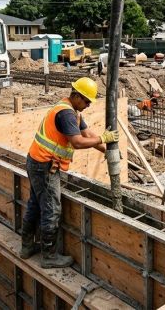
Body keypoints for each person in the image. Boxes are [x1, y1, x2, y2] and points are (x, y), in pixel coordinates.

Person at [19, 77, 119, 267]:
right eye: (87, 101)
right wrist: (103, 137)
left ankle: (26, 247)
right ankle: (49, 256)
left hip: (37, 161)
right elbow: (78, 142)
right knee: (52, 209)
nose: (89, 105)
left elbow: (87, 135)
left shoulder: (71, 110)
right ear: (77, 96)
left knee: (35, 204)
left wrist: (106, 148)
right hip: (45, 167)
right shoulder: (66, 114)